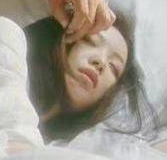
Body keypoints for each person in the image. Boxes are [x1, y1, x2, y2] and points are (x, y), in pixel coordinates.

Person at [24, 11, 151, 141]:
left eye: (113, 67)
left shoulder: (66, 146)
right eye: (90, 41)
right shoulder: (12, 50)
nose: (101, 62)